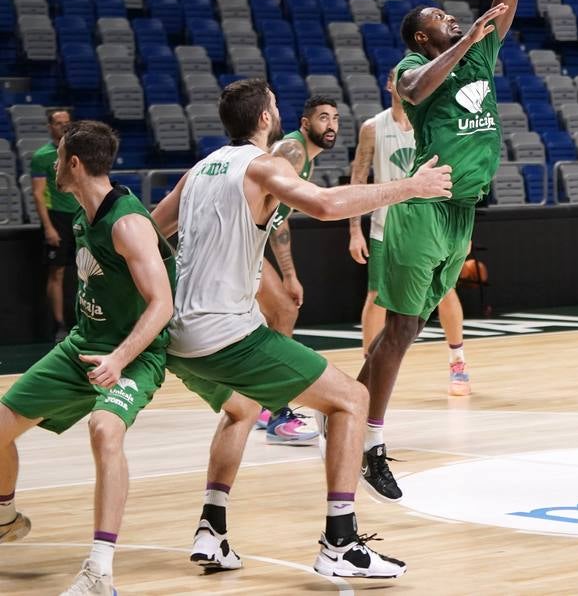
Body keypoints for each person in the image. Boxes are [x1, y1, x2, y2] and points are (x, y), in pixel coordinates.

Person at [151, 78, 451, 578]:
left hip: (178, 336)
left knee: (241, 408)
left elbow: (149, 231)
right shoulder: (266, 164)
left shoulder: (199, 170)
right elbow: (328, 205)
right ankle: (341, 543)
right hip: (226, 335)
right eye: (275, 106)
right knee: (352, 400)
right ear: (266, 118)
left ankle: (212, 529)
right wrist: (410, 187)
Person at [357, 0, 548, 502]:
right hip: (423, 206)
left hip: (463, 213)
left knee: (408, 330)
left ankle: (358, 428)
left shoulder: (481, 45)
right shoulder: (415, 62)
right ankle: (368, 439)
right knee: (398, 329)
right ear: (421, 32)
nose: (452, 17)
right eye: (440, 16)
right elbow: (413, 90)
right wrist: (463, 43)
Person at [0, 120, 175, 596]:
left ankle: (100, 572)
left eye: (58, 157)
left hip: (134, 355)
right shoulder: (83, 213)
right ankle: (5, 519)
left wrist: (120, 358)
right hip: (82, 346)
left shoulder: (127, 222)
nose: (54, 164)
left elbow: (163, 304)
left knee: (104, 429)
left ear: (73, 163)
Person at [348, 71, 473, 396]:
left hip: (429, 224)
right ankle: (369, 369)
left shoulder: (431, 123)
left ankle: (457, 360)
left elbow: (455, 175)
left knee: (445, 293)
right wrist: (354, 230)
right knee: (376, 298)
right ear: (390, 85)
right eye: (397, 78)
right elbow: (358, 177)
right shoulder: (373, 127)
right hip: (385, 226)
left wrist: (460, 226)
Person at [253, 96, 340, 444]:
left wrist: (289, 273)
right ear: (305, 124)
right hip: (236, 246)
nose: (331, 125)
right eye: (323, 118)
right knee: (283, 313)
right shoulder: (292, 150)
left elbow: (278, 221)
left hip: (249, 247)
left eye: (335, 118)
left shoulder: (305, 161)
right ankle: (274, 412)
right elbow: (259, 201)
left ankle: (265, 406)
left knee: (275, 316)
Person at [29, 108, 75, 338]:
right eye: (58, 123)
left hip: (80, 215)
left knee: (90, 271)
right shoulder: (41, 156)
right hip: (57, 217)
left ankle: (88, 323)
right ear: (50, 126)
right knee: (56, 273)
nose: (63, 126)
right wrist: (48, 227)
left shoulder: (78, 151)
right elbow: (38, 193)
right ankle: (59, 326)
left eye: (67, 122)